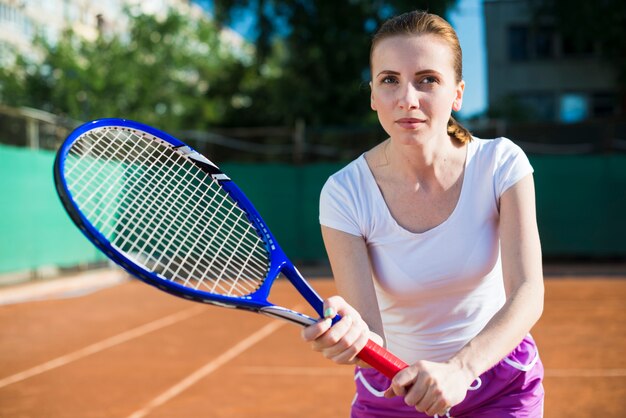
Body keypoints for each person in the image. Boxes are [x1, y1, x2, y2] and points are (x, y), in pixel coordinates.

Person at [302, 10, 545, 418]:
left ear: (458, 93)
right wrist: (351, 337)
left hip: (500, 383)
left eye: (427, 80)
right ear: (373, 96)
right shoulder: (344, 193)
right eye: (390, 80)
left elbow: (528, 292)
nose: (407, 99)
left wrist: (460, 369)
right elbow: (371, 335)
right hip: (395, 390)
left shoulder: (502, 163)